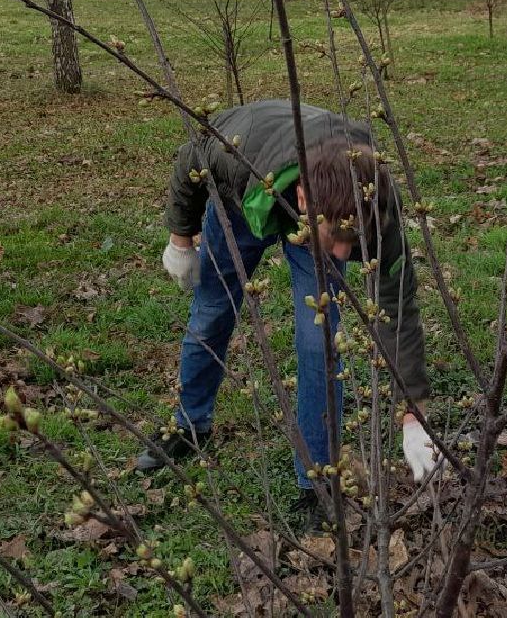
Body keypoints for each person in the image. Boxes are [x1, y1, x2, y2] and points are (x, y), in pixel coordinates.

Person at [136, 98, 437, 533]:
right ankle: (189, 425)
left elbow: (399, 310)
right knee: (213, 310)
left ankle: (316, 480)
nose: (342, 256)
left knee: (319, 342)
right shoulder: (234, 153)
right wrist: (181, 240)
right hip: (246, 199)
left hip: (308, 206)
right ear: (302, 199)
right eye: (337, 240)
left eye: (351, 242)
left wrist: (412, 413)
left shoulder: (375, 204)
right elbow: (189, 160)